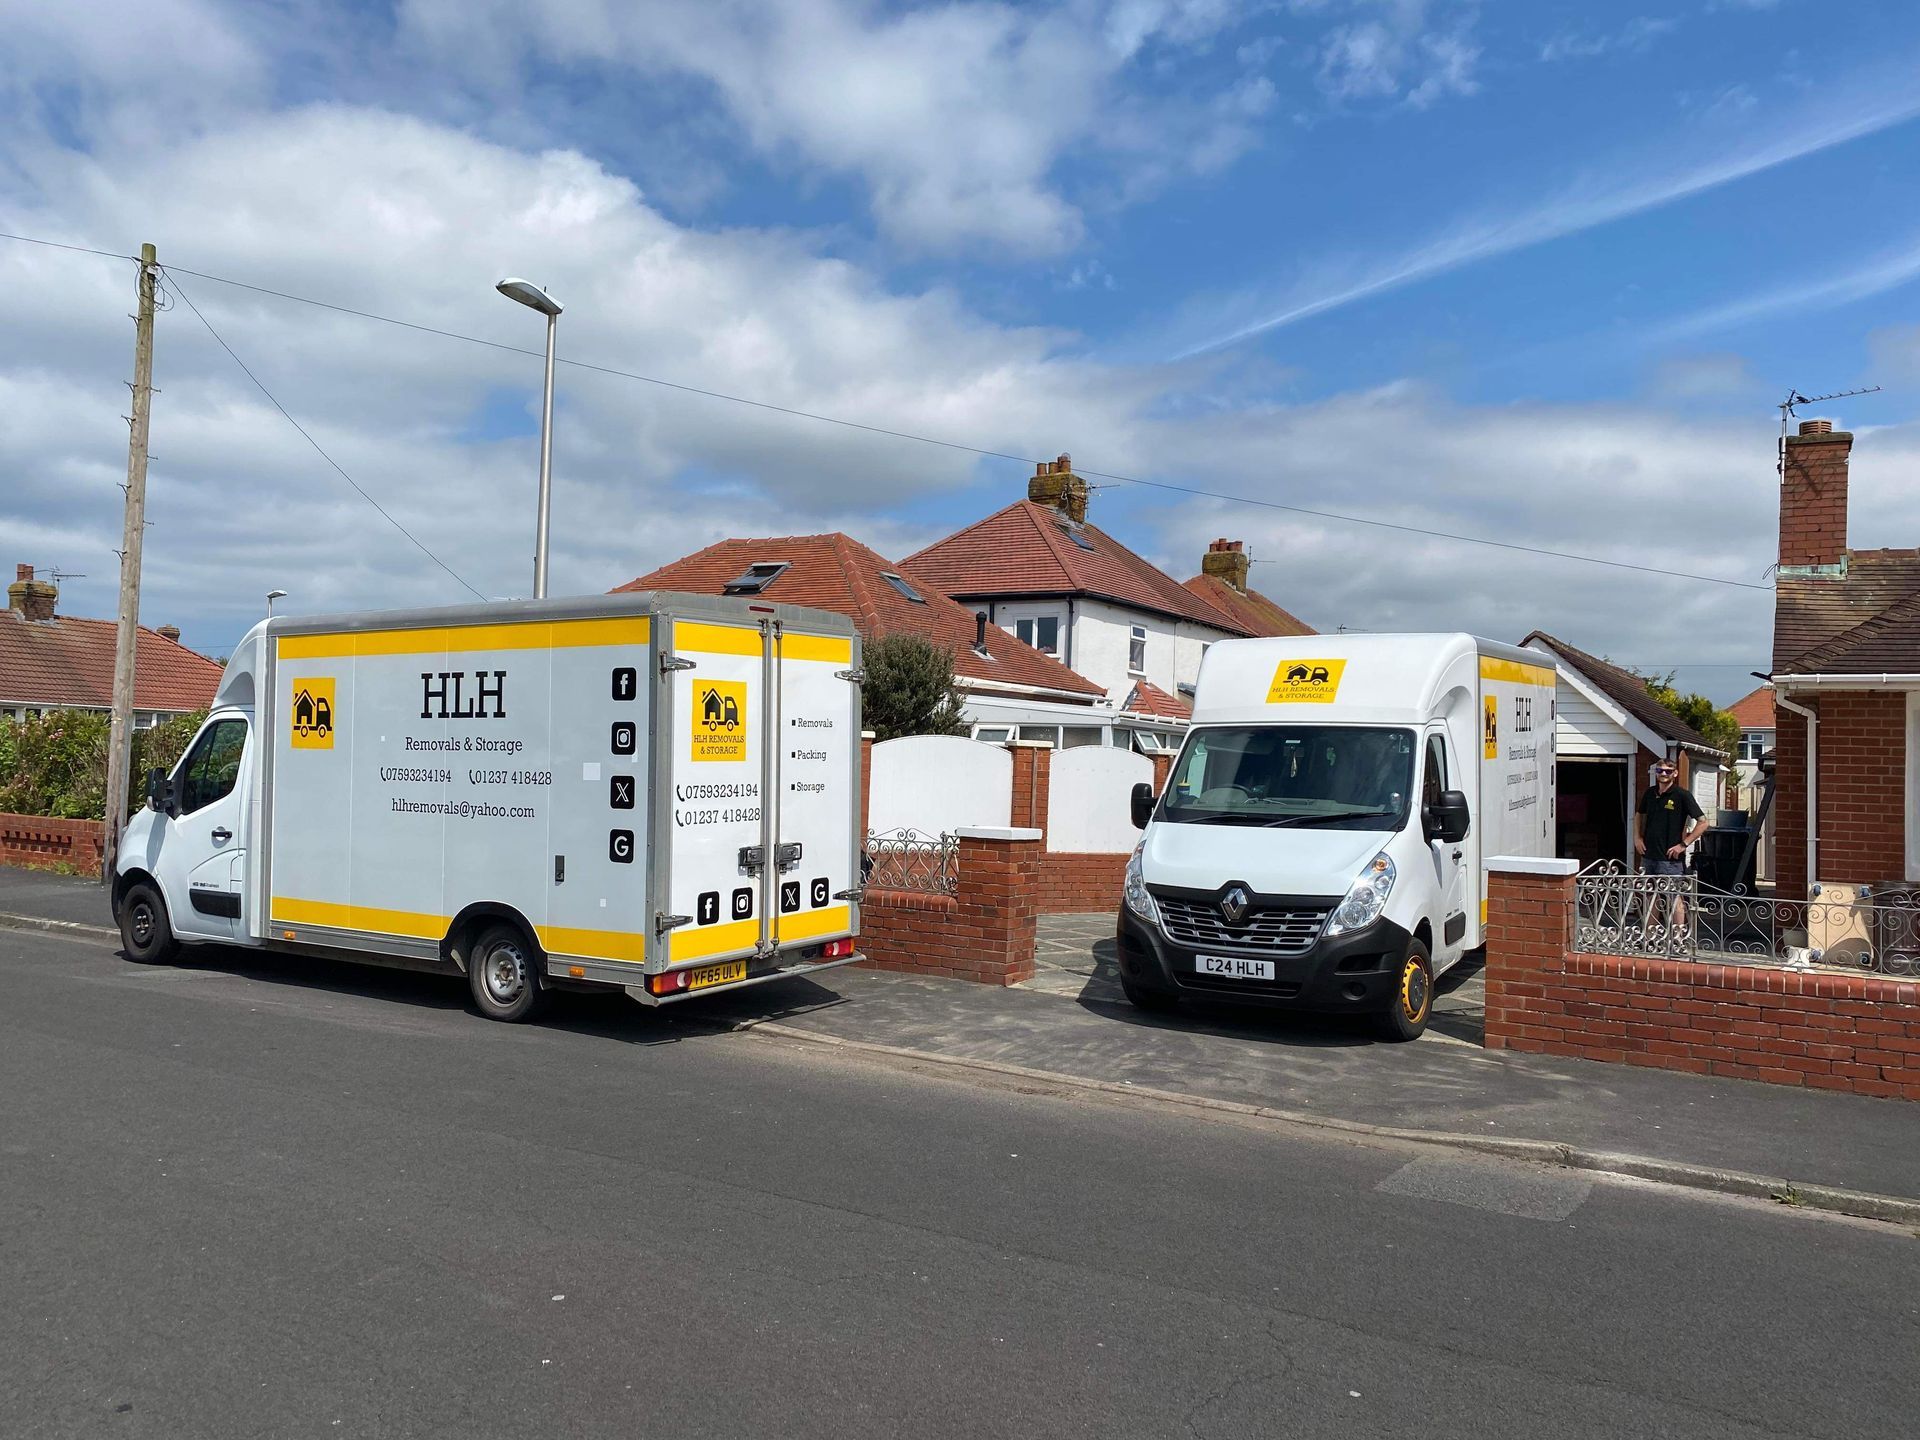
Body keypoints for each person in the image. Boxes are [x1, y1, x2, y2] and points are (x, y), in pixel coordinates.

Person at [1635, 760, 1709, 933]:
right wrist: (1637, 837)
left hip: (1670, 859)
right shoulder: (1650, 793)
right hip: (1648, 855)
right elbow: (1639, 813)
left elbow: (1703, 822)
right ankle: (1650, 936)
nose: (1663, 774)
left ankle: (1678, 938)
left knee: (1674, 897)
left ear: (1675, 774)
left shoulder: (1682, 795)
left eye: (1668, 771)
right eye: (1660, 770)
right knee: (1650, 895)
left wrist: (1683, 845)